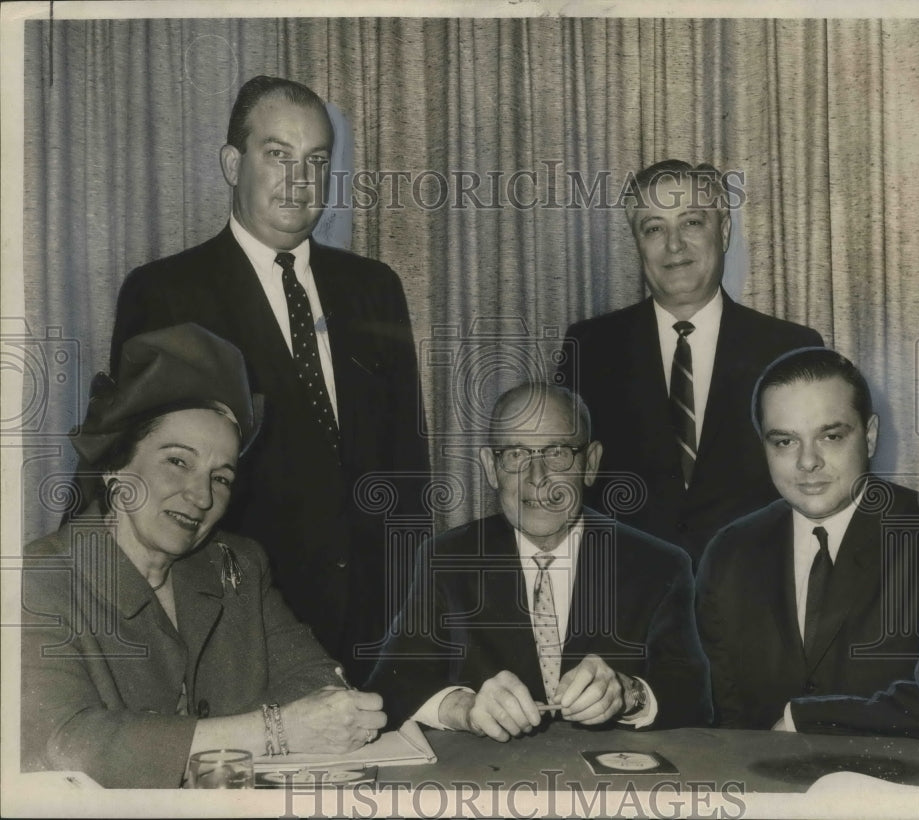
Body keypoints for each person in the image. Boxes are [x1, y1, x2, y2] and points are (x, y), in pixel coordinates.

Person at [110, 76, 429, 681]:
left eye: (316, 161)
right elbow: (141, 477)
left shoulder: (374, 288)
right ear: (233, 163)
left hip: (373, 625)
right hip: (236, 627)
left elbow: (406, 466)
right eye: (277, 154)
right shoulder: (166, 293)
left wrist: (409, 611)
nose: (299, 179)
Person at [20, 324, 387, 788]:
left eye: (222, 478)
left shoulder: (237, 564)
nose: (200, 496)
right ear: (116, 466)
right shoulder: (38, 579)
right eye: (177, 461)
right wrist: (274, 730)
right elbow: (64, 744)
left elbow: (315, 677)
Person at [366, 382, 712, 740]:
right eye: (516, 454)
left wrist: (628, 694)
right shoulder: (446, 559)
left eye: (557, 452)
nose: (537, 477)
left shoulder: (659, 566)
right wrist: (464, 709)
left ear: (590, 463)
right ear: (490, 467)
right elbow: (392, 685)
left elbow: (695, 699)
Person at [695, 347, 919, 739]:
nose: (807, 462)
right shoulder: (729, 552)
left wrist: (805, 720)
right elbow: (725, 720)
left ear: (871, 436)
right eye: (784, 442)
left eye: (830, 436)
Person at [558, 159, 823, 566]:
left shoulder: (790, 347)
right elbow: (565, 490)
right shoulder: (590, 348)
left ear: (725, 231)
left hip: (757, 600)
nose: (674, 244)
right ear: (637, 243)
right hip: (629, 605)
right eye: (654, 228)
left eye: (692, 223)